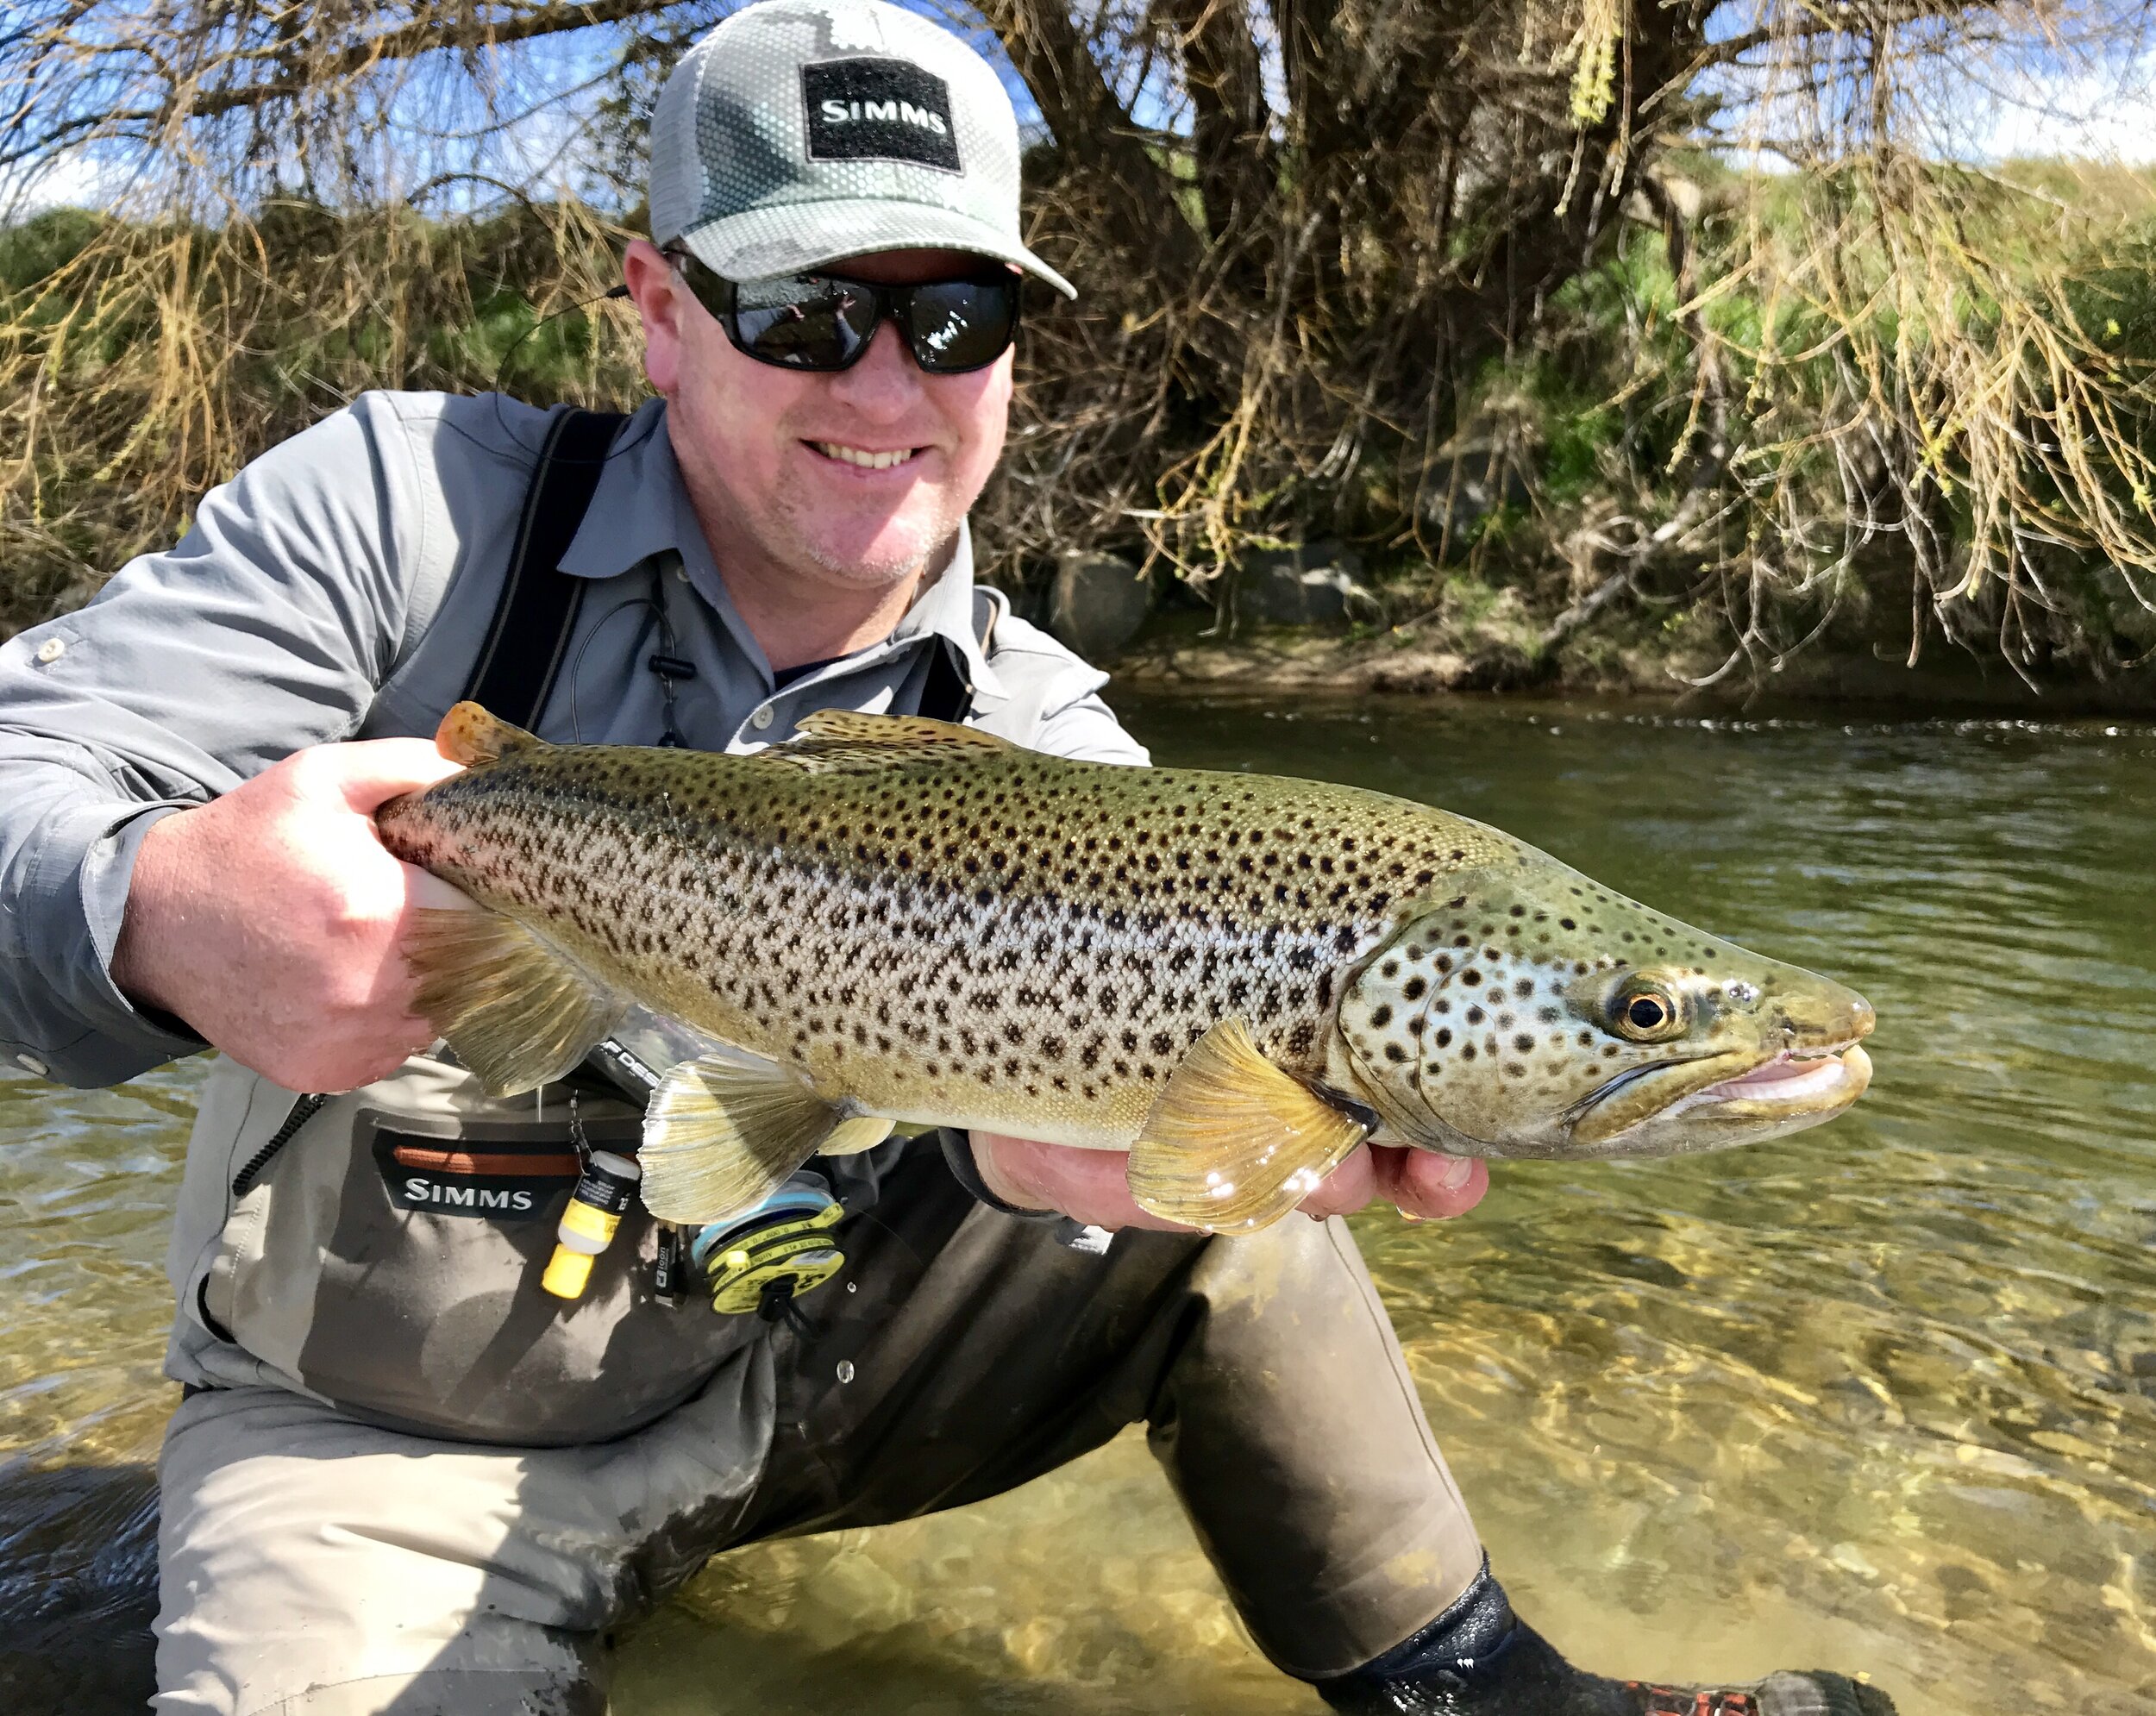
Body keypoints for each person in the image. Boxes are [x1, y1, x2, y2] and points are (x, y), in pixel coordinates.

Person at [0, 3, 1897, 1712]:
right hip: (391, 1441)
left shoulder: (1060, 741)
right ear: (659, 313)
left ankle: (1481, 1690)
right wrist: (150, 907)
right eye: (808, 312)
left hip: (799, 1360)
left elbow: (1062, 1149)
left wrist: (1037, 1135)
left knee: (1247, 1210)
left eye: (956, 315)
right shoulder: (400, 516)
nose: (891, 387)